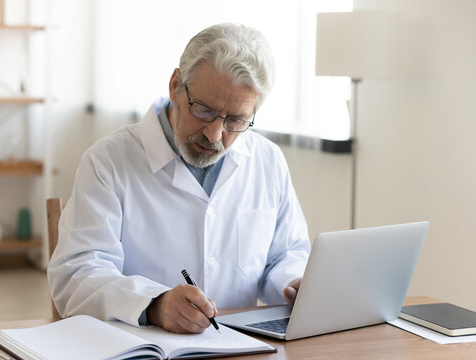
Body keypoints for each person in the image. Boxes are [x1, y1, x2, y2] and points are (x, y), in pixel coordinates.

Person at [48, 23, 310, 334]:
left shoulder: (267, 161)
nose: (215, 134)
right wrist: (154, 305)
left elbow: (286, 254)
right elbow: (77, 276)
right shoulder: (108, 161)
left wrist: (291, 282)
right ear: (175, 85)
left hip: (240, 345)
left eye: (236, 120)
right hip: (143, 348)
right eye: (203, 110)